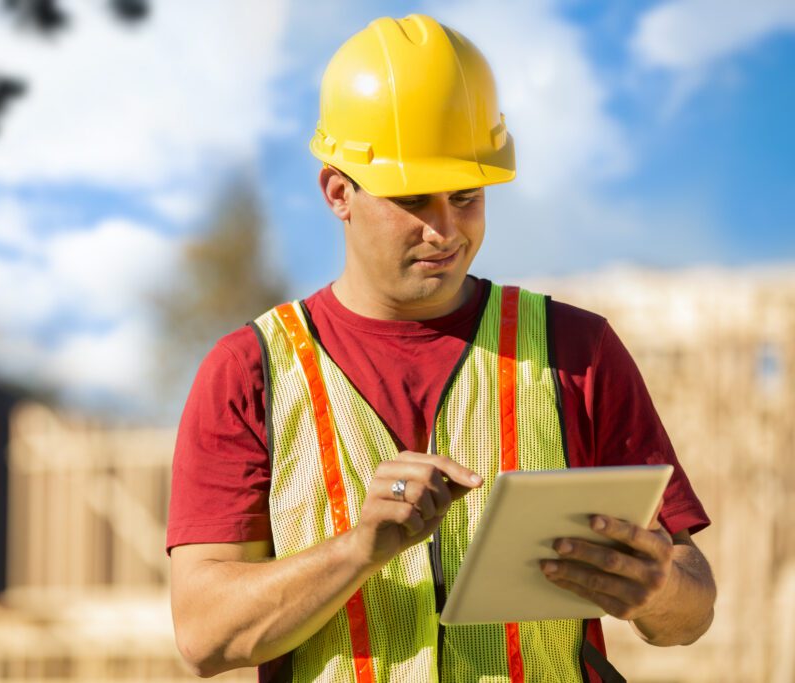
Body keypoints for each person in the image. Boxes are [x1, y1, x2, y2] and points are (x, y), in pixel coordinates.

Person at [167, 14, 715, 683]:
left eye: (466, 196)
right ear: (338, 191)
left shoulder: (578, 351)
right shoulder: (252, 370)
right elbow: (203, 635)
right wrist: (359, 550)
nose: (445, 230)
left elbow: (692, 606)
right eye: (414, 200)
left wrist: (659, 590)